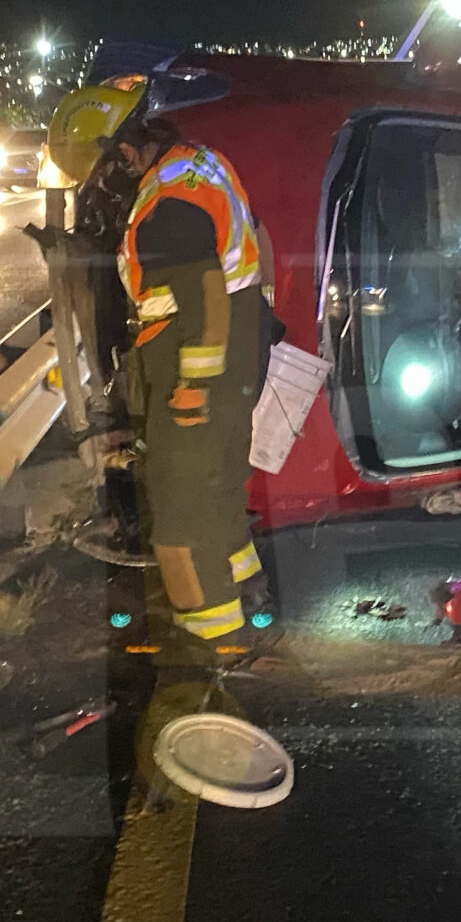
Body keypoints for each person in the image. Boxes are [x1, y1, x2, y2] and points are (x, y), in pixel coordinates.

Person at [106, 103, 277, 649]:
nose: (113, 179)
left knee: (179, 511)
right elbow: (257, 245)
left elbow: (204, 294)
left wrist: (190, 388)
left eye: (110, 165)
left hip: (198, 369)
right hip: (241, 356)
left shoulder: (166, 205)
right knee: (219, 487)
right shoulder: (201, 164)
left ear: (129, 148)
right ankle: (249, 596)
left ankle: (207, 645)